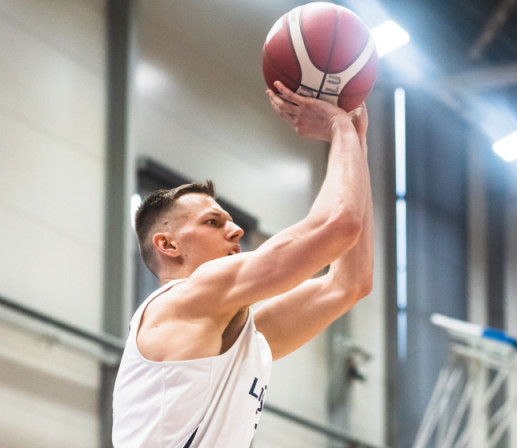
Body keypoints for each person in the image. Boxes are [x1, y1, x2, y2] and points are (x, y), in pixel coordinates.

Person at [111, 81, 374, 447]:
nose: (235, 230)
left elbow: (350, 285)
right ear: (168, 244)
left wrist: (356, 147)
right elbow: (338, 227)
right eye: (213, 222)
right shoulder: (187, 298)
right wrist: (339, 129)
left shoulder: (243, 336)